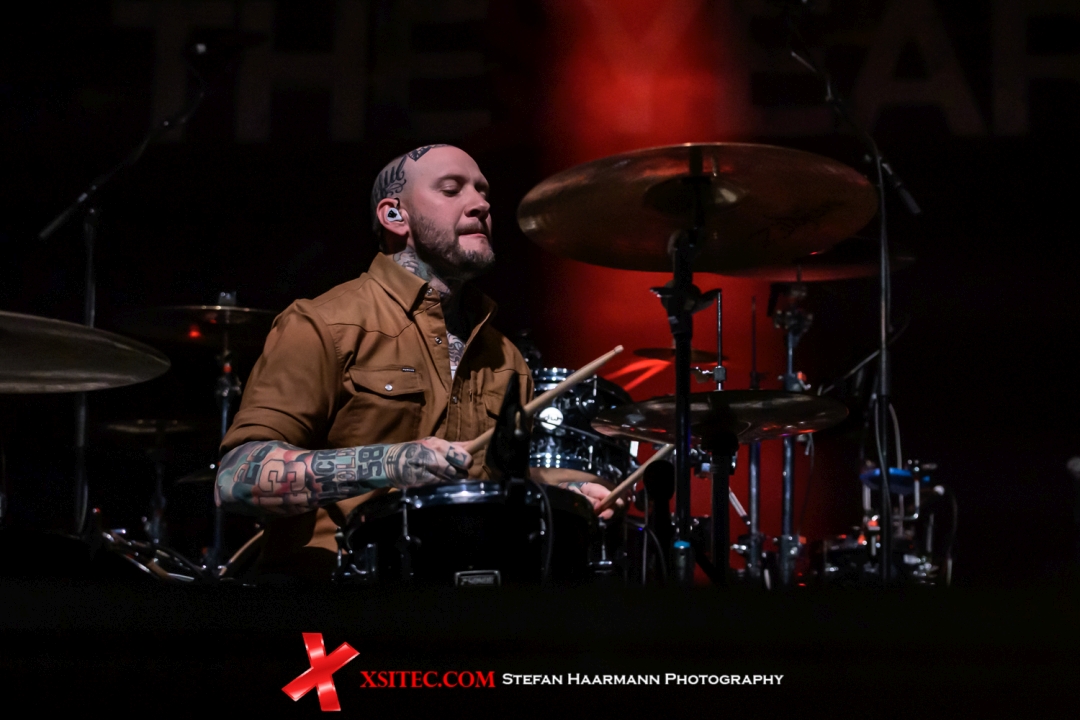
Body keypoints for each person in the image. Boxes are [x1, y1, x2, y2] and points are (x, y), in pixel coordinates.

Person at [215, 144, 615, 580]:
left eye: (482, 192)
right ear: (394, 216)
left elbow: (490, 483)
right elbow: (237, 478)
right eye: (452, 190)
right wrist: (391, 463)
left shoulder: (506, 359)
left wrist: (565, 495)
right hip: (331, 601)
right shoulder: (322, 324)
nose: (481, 205)